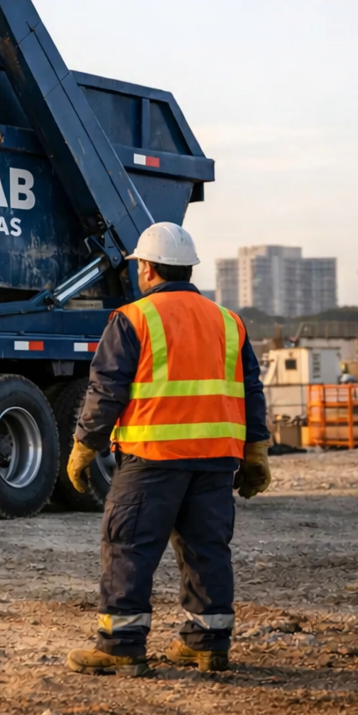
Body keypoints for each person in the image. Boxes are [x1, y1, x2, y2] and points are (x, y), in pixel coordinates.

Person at [64, 222, 272, 676]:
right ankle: (208, 643)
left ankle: (120, 645)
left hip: (152, 459)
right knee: (207, 549)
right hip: (216, 460)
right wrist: (255, 451)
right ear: (187, 268)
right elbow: (250, 391)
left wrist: (85, 446)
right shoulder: (228, 321)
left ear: (148, 269)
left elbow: (107, 390)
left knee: (128, 548)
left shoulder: (133, 318)